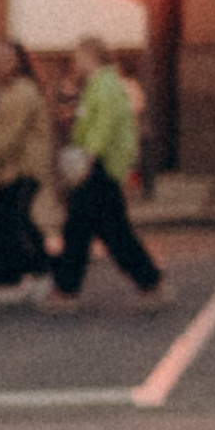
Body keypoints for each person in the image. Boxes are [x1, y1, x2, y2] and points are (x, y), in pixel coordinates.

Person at [47, 37, 166, 309]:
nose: (76, 62)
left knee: (93, 230)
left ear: (91, 57)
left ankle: (67, 290)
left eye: (79, 56)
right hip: (100, 166)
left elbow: (101, 125)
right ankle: (147, 281)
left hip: (98, 166)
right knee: (96, 229)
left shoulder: (104, 85)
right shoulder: (102, 84)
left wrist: (86, 160)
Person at [0, 42, 54, 298]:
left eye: (0, 59)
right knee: (6, 220)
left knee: (14, 220)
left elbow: (12, 134)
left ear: (15, 61)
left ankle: (37, 271)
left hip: (22, 166)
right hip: (15, 165)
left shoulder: (21, 91)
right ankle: (10, 278)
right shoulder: (9, 90)